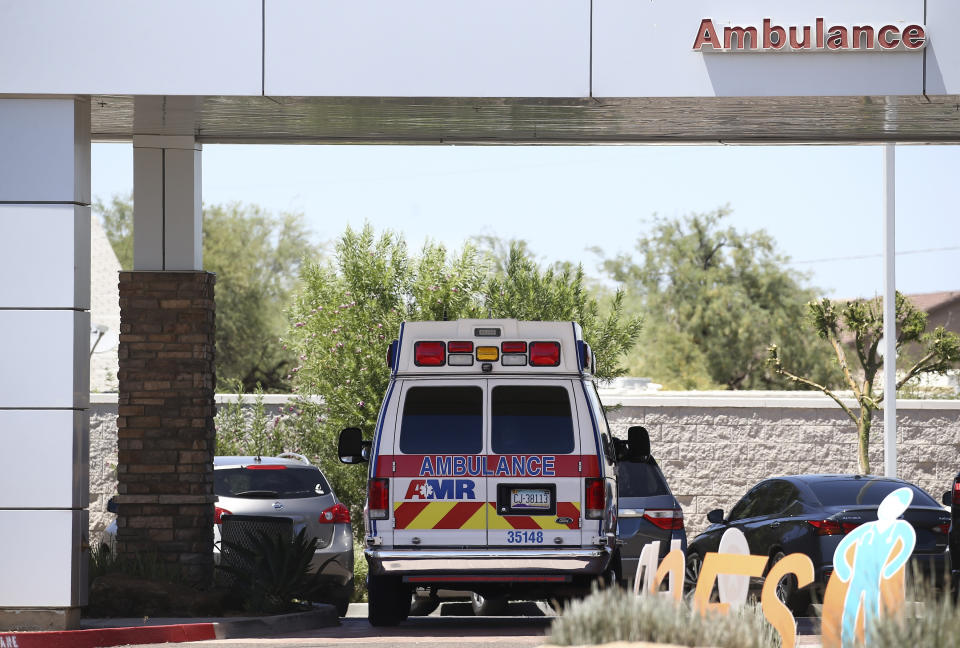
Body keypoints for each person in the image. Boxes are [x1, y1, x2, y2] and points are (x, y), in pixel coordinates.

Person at [832, 487, 915, 648]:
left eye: (893, 506)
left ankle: (871, 642)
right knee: (850, 609)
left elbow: (907, 544)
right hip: (857, 576)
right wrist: (843, 569)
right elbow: (844, 547)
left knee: (872, 611)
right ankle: (845, 642)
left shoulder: (900, 528)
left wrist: (891, 567)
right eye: (887, 505)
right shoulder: (868, 528)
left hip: (875, 577)